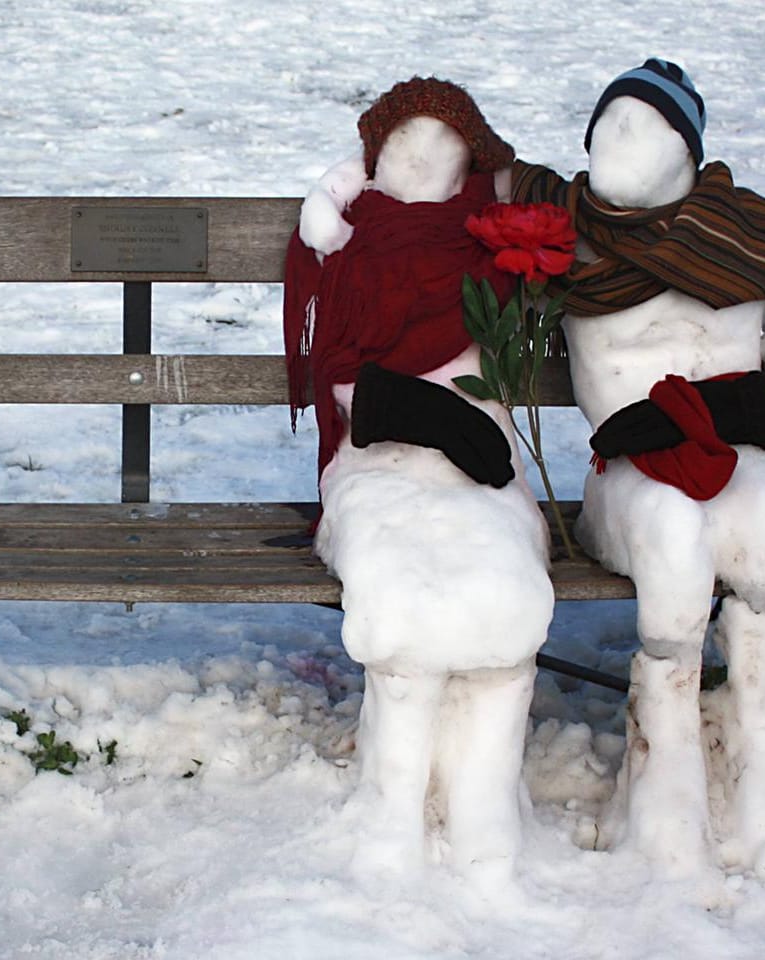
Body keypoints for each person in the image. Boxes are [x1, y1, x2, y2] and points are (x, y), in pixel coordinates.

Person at [507, 59, 765, 874]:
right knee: (670, 532)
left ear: (687, 145)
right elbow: (461, 171)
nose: (615, 140)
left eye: (644, 123)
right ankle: (663, 771)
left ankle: (758, 756)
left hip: (745, 445)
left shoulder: (758, 241)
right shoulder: (562, 232)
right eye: (605, 123)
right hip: (628, 464)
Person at [286, 77, 554, 879]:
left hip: (483, 462)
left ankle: (484, 812)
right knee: (400, 589)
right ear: (374, 158)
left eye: (443, 151)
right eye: (404, 148)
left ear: (468, 165)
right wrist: (415, 412)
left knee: (505, 591)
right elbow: (339, 373)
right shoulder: (355, 245)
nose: (422, 163)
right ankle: (393, 806)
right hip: (376, 456)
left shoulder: (488, 244)